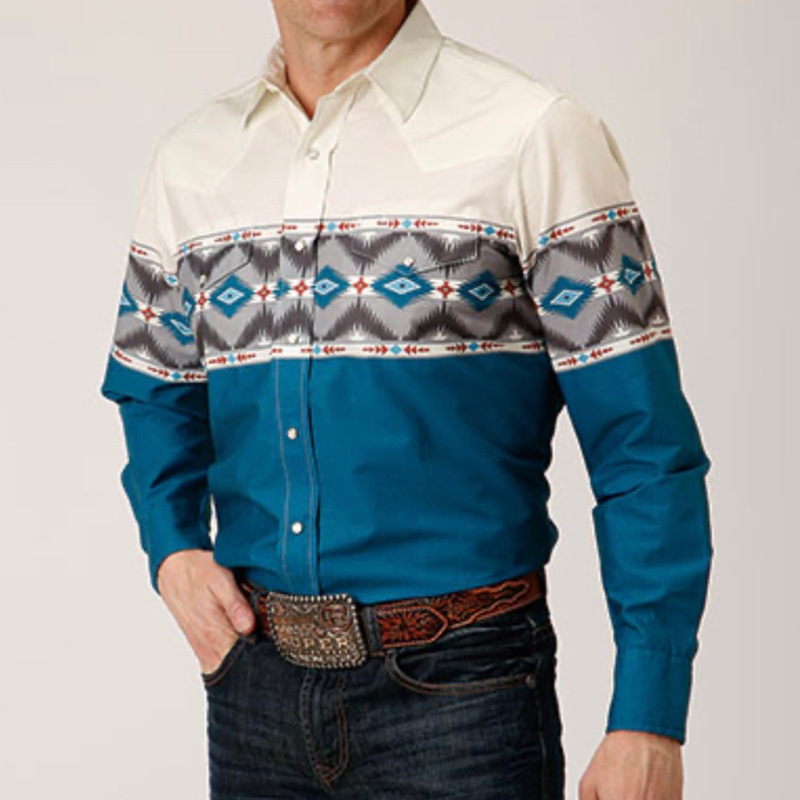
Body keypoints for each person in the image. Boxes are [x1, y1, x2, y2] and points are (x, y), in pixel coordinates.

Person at [99, 1, 713, 798]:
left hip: (464, 699)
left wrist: (649, 717)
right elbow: (154, 385)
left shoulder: (535, 136)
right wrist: (173, 546)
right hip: (255, 700)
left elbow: (643, 446)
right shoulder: (192, 161)